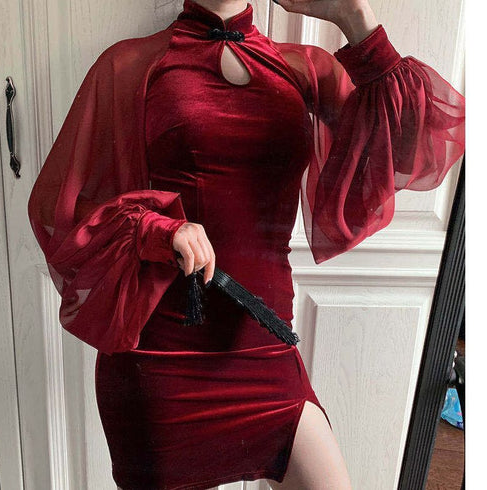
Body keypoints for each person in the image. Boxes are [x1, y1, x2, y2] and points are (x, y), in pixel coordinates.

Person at [27, 0, 465, 488]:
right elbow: (60, 212)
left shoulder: (305, 68)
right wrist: (158, 229)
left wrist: (354, 17)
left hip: (265, 349)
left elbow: (409, 153)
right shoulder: (130, 64)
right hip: (161, 360)